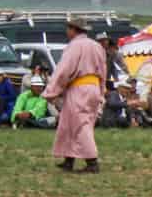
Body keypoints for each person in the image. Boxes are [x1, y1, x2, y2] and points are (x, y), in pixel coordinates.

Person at [44, 16, 108, 173]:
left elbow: (64, 70)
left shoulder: (74, 46)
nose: (67, 31)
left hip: (79, 89)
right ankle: (68, 159)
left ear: (73, 30)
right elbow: (103, 70)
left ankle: (92, 162)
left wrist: (51, 91)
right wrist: (101, 90)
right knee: (69, 123)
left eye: (68, 28)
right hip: (92, 87)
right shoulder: (96, 46)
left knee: (80, 124)